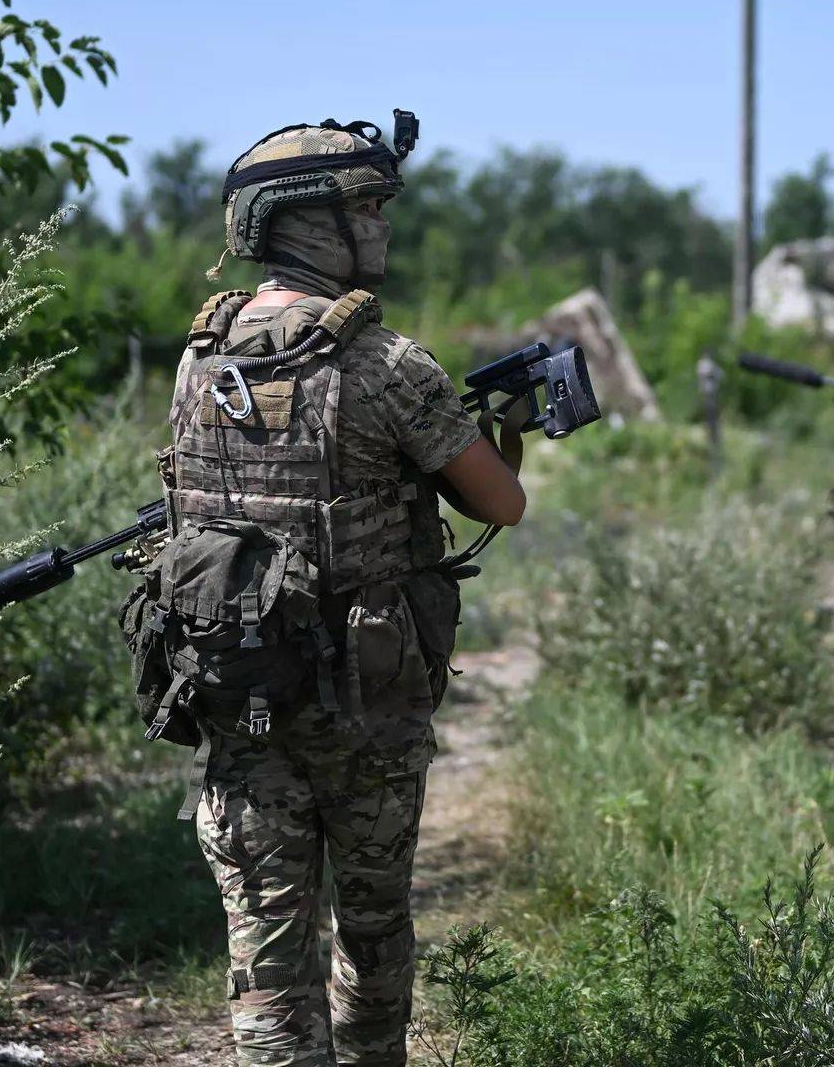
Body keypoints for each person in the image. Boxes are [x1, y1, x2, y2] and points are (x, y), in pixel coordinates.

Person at [138, 113, 525, 1066]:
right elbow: (501, 503)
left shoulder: (201, 356)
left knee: (264, 957)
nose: (384, 227)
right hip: (366, 702)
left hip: (241, 686)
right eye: (368, 206)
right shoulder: (386, 363)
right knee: (373, 934)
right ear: (309, 221)